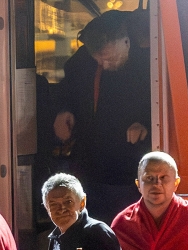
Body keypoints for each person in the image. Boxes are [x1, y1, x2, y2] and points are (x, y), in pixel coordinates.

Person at [54, 10, 151, 222]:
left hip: (130, 171)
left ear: (126, 41)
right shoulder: (86, 60)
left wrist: (146, 124)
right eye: (98, 60)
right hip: (93, 167)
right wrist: (64, 110)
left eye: (108, 58)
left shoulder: (151, 61)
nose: (104, 65)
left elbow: (167, 105)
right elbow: (67, 88)